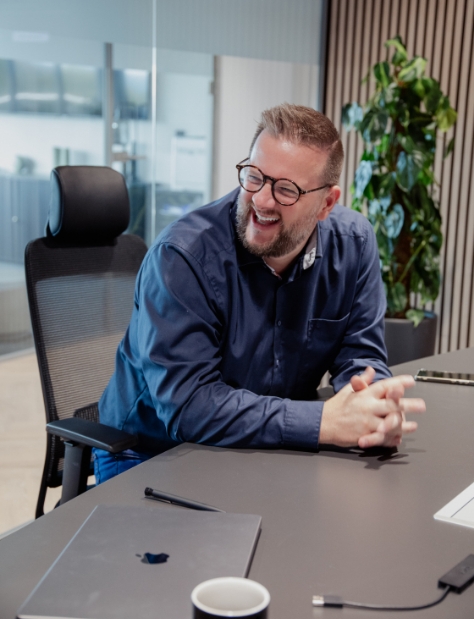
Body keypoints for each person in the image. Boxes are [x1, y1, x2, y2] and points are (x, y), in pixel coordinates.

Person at [94, 104, 425, 483]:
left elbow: (361, 355)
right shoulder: (183, 257)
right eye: (254, 176)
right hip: (150, 452)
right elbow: (188, 406)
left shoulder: (353, 244)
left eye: (286, 189)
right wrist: (322, 422)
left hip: (261, 447)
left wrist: (373, 407)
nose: (262, 200)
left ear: (326, 204)